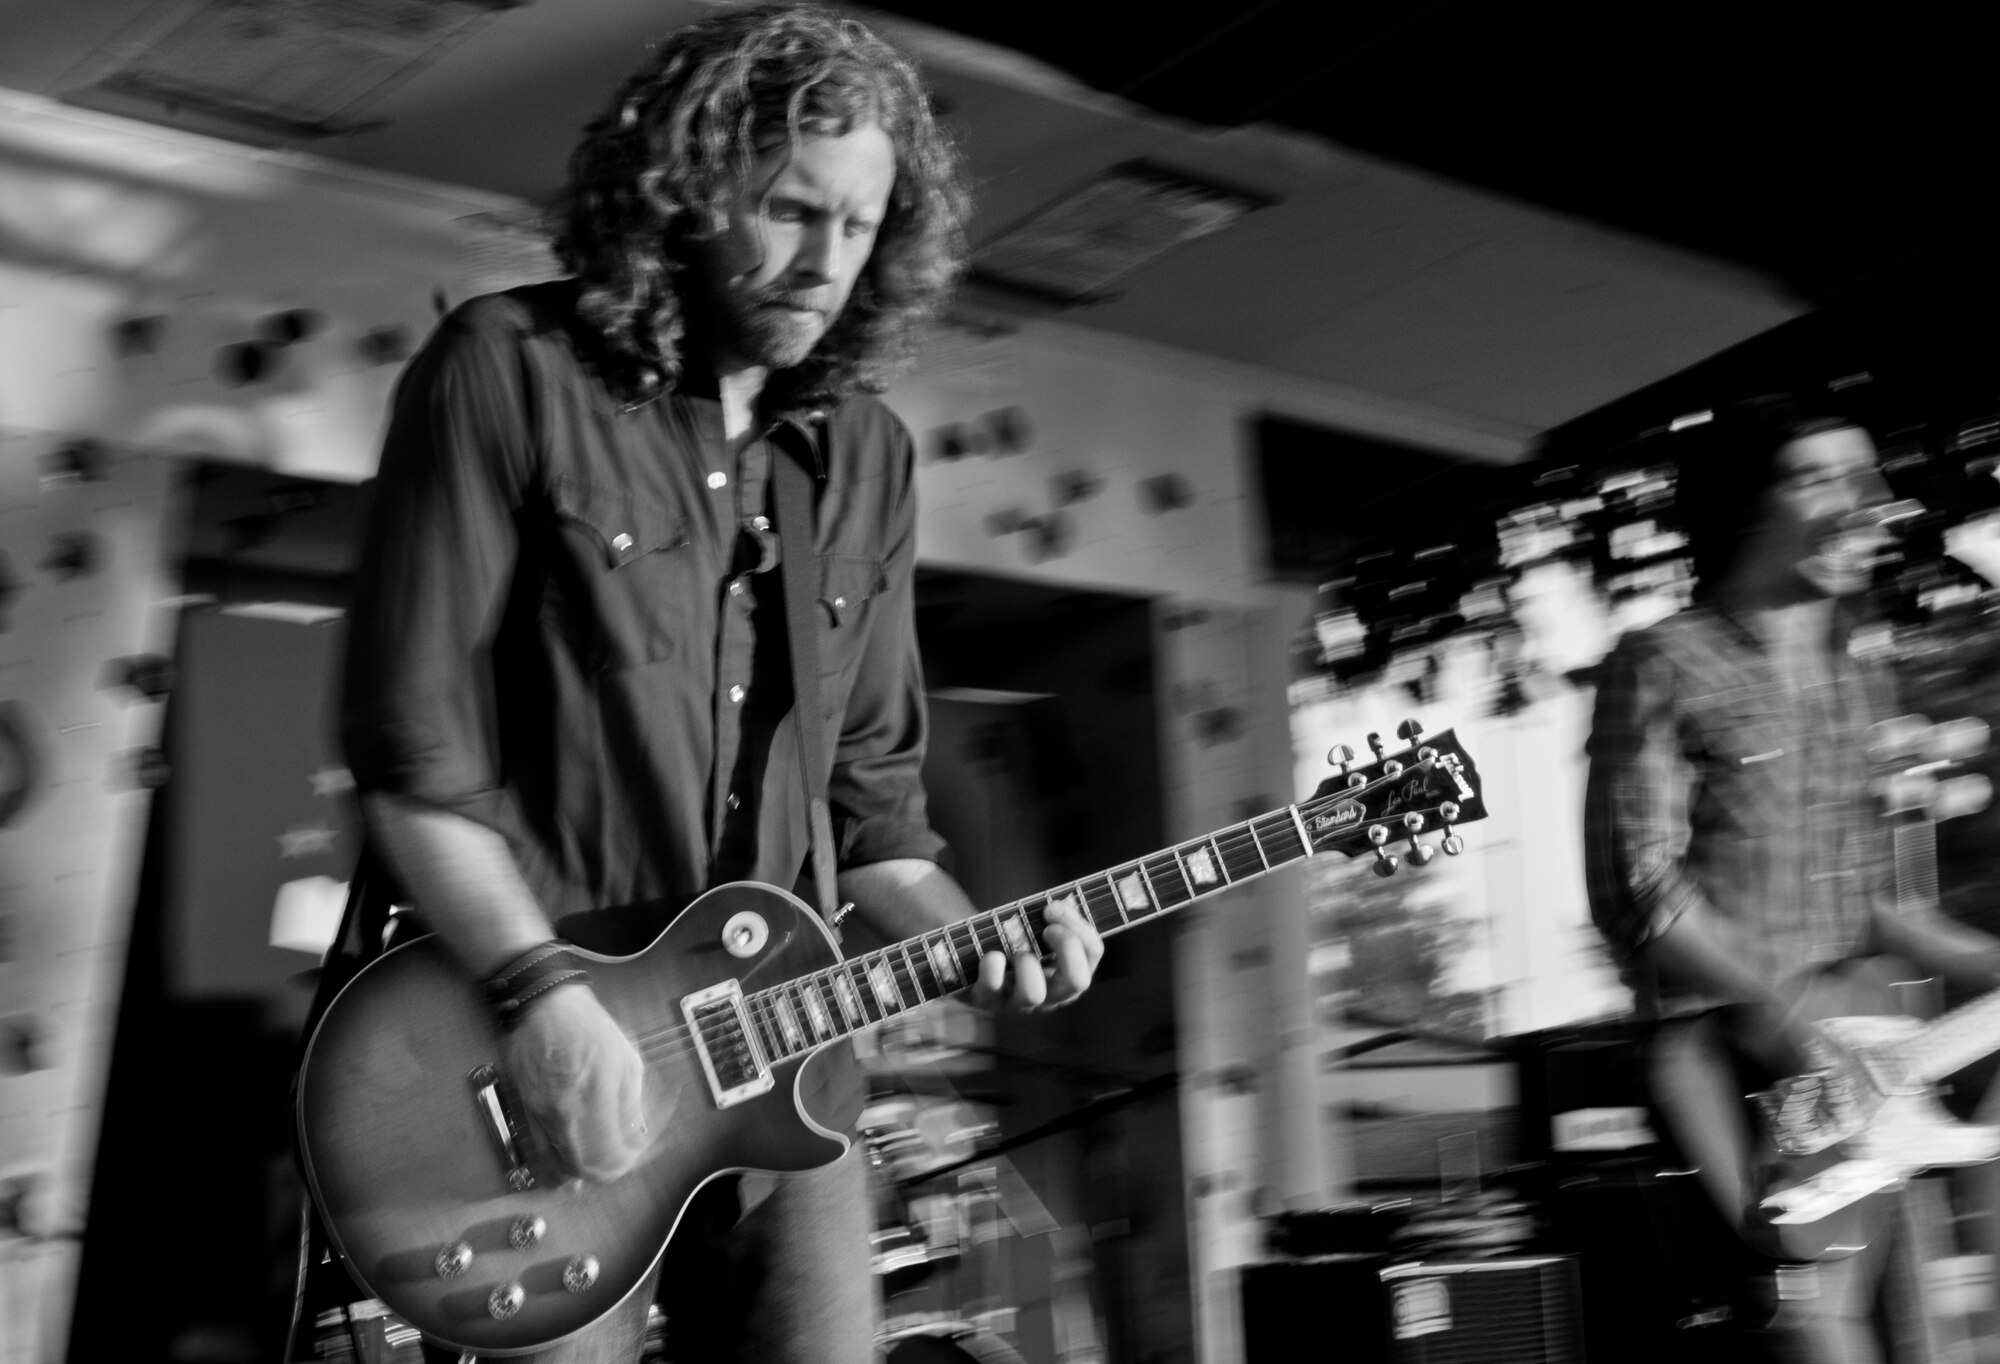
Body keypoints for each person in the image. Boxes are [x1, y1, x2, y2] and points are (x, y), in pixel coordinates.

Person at [335, 7, 1103, 1362]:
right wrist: (538, 1000)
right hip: (547, 1056)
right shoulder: (507, 373)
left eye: (859, 226)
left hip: (791, 1085)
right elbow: (415, 762)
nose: (825, 263)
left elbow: (874, 815)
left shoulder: (869, 458)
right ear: (682, 188)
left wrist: (991, 939)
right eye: (791, 209)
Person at [1583, 397, 2000, 1362]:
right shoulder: (1658, 662)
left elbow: (1867, 900)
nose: (1868, 501)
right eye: (1823, 477)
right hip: (1727, 1058)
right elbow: (1640, 892)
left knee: (1923, 1334)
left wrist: (1983, 959)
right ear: (1747, 507)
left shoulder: (1856, 678)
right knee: (1813, 1330)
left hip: (1859, 1041)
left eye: (1868, 477)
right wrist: (1793, 1023)